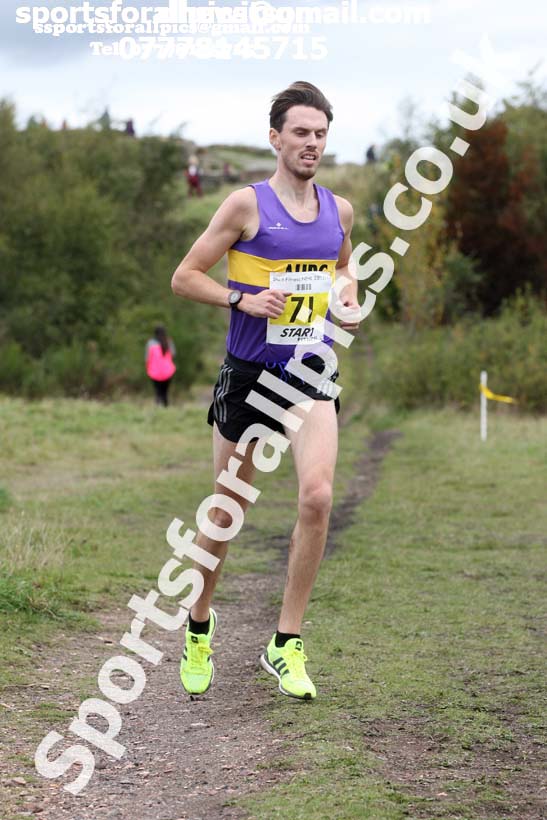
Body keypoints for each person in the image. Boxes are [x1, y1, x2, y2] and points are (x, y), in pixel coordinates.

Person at [171, 81, 360, 700]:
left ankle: (286, 643)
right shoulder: (244, 206)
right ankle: (199, 626)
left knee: (318, 496)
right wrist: (242, 299)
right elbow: (185, 277)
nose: (312, 143)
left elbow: (342, 268)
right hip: (249, 376)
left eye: (320, 133)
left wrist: (349, 300)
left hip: (309, 374)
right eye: (301, 132)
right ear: (275, 137)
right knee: (225, 514)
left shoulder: (340, 210)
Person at [145, 326, 176, 407]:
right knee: (165, 392)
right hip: (168, 371)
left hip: (154, 371)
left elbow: (147, 358)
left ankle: (157, 408)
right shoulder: (168, 342)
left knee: (158, 392)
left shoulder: (150, 343)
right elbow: (173, 354)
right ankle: (166, 408)